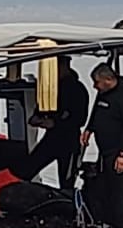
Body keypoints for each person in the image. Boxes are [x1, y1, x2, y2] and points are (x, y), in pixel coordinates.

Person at [81, 62, 123, 228]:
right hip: (104, 151)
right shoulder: (103, 95)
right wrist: (89, 129)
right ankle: (103, 223)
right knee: (102, 189)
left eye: (97, 82)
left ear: (108, 80)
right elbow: (97, 112)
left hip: (120, 151)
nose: (94, 86)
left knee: (118, 193)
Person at [20, 59, 89, 191]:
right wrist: (37, 117)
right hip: (52, 138)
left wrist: (55, 123)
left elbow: (80, 119)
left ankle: (68, 206)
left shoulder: (78, 90)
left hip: (69, 140)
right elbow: (41, 110)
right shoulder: (51, 89)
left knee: (67, 181)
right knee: (28, 168)